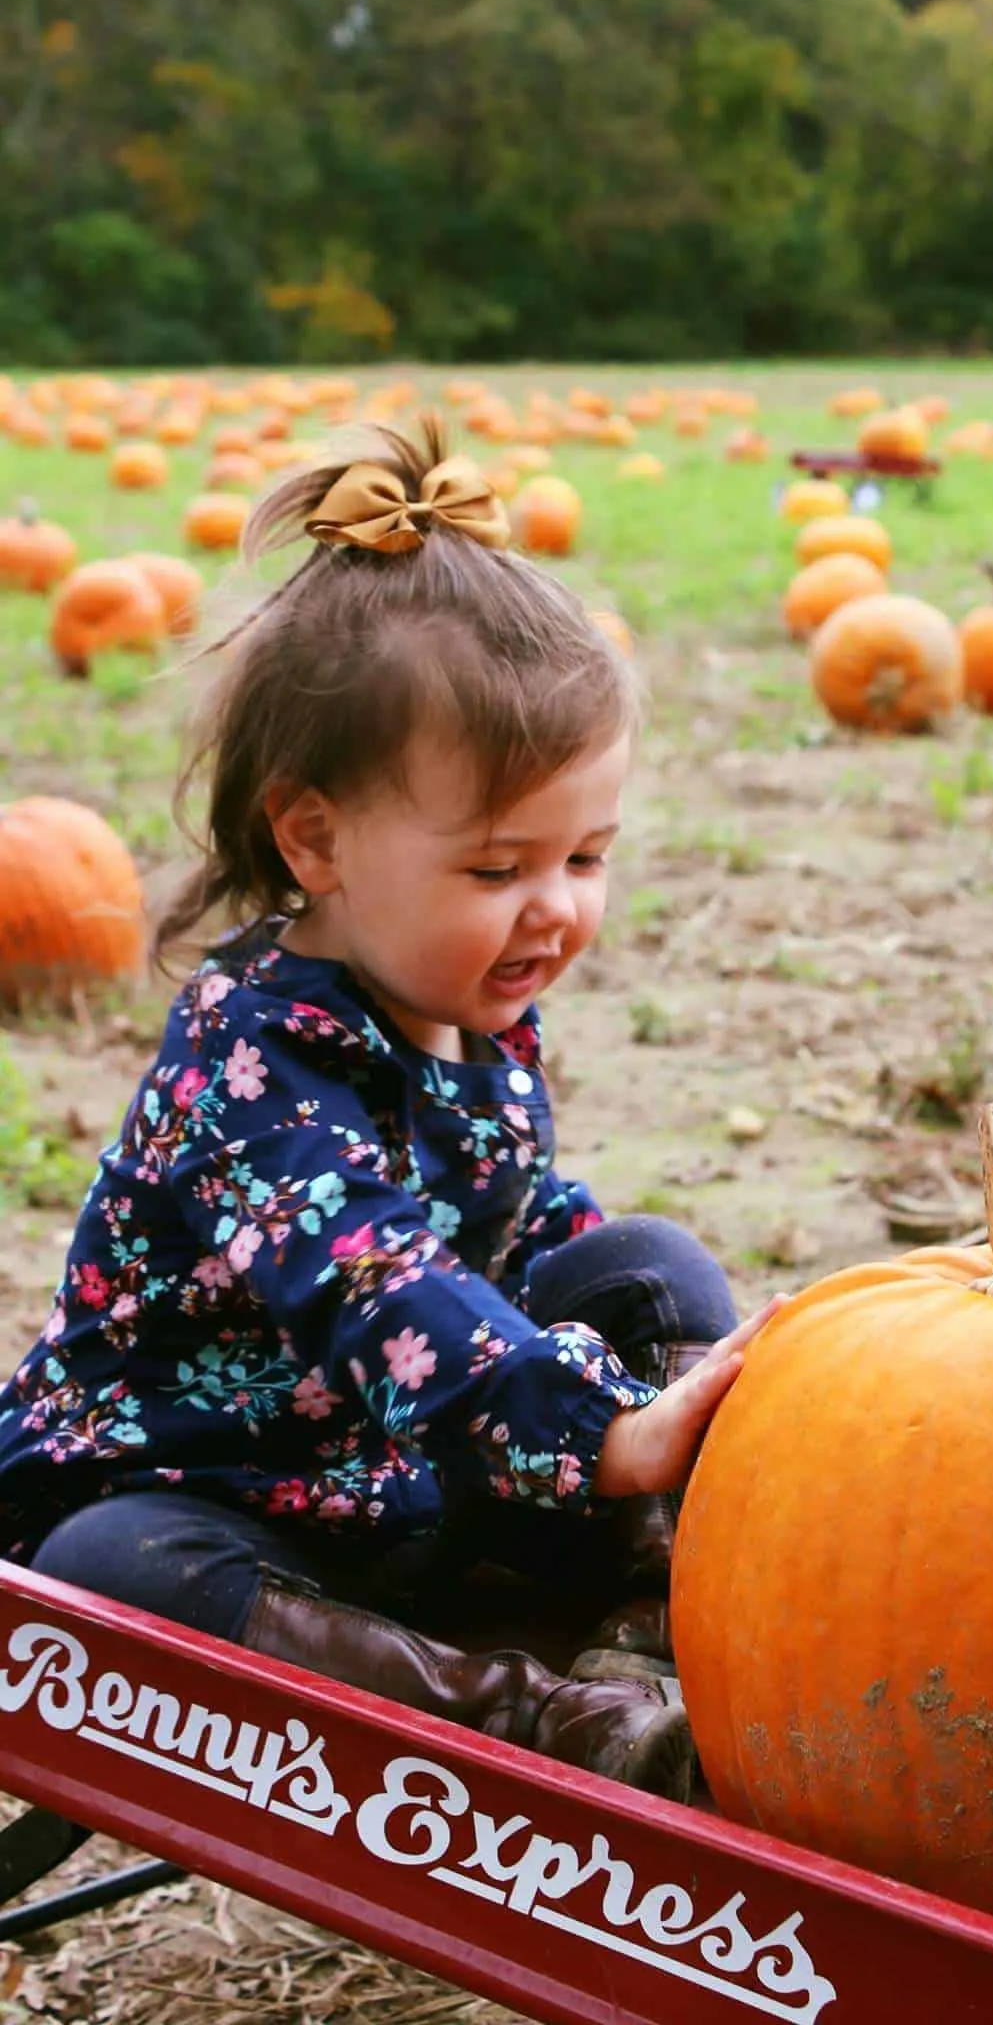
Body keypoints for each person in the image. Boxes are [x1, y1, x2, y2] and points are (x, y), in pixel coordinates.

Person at [0, 417, 781, 1805]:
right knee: (109, 1585)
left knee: (641, 1260)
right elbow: (385, 1289)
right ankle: (534, 1723)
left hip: (407, 1464)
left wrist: (624, 1382)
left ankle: (689, 1582)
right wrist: (604, 1430)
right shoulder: (244, 1071)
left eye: (586, 855)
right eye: (497, 867)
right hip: (225, 1496)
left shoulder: (465, 1002)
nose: (556, 907)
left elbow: (524, 1216)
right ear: (316, 841)